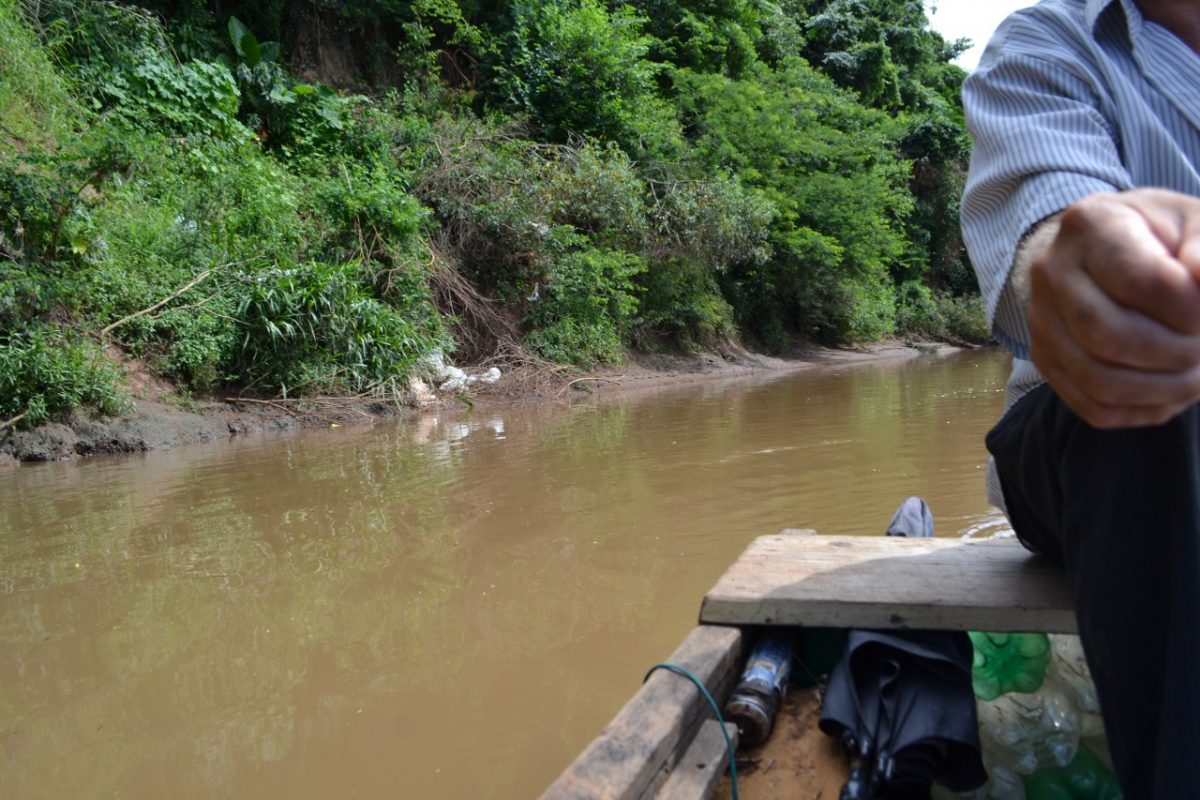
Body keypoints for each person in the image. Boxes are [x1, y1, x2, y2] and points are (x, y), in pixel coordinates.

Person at [960, 0, 1200, 795]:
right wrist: (1103, 284)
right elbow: (1047, 225)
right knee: (1155, 385)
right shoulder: (1051, 42)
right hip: (1079, 435)